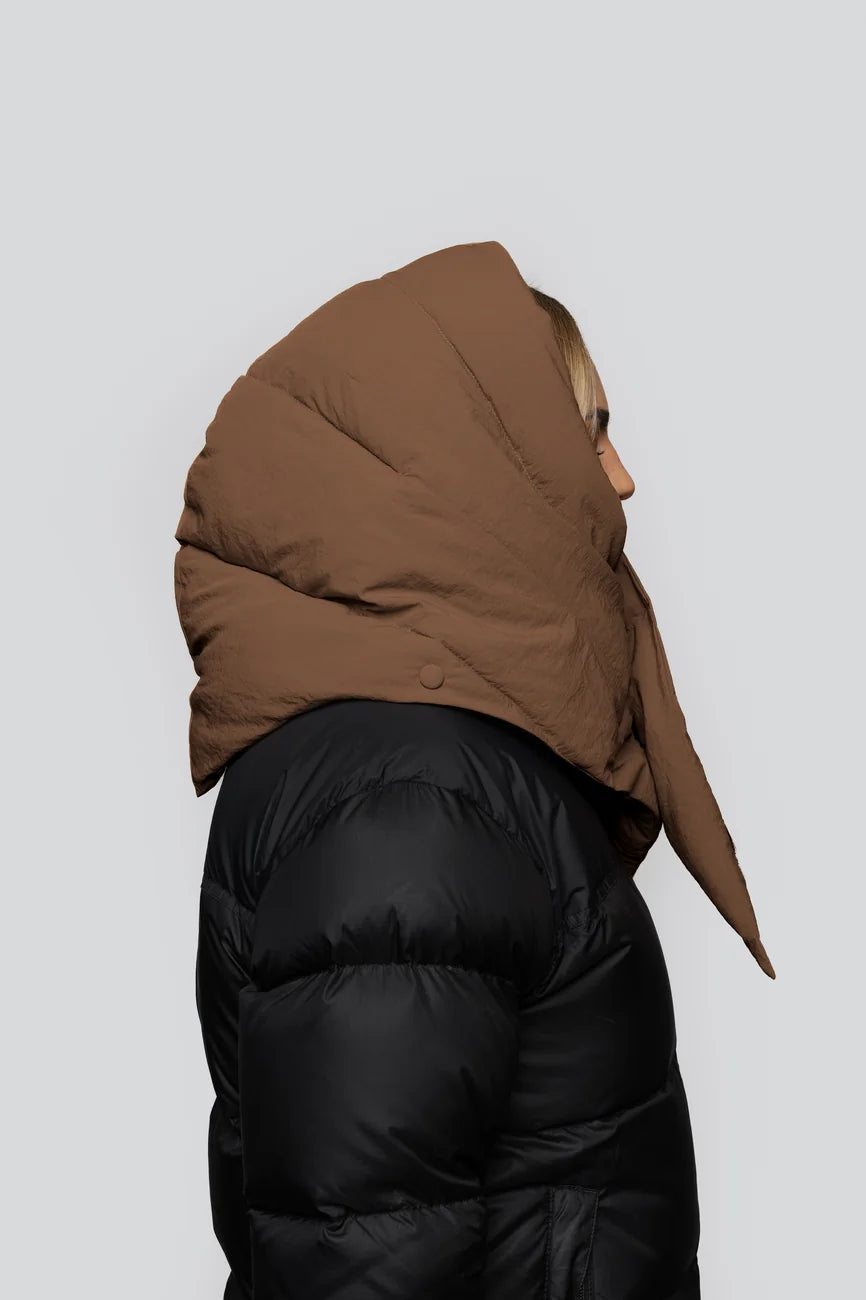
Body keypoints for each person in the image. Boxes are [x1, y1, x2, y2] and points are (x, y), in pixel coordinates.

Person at [174, 239, 773, 1300]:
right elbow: (363, 1260)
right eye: (589, 432)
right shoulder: (409, 797)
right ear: (495, 458)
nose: (622, 477)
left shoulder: (427, 761)